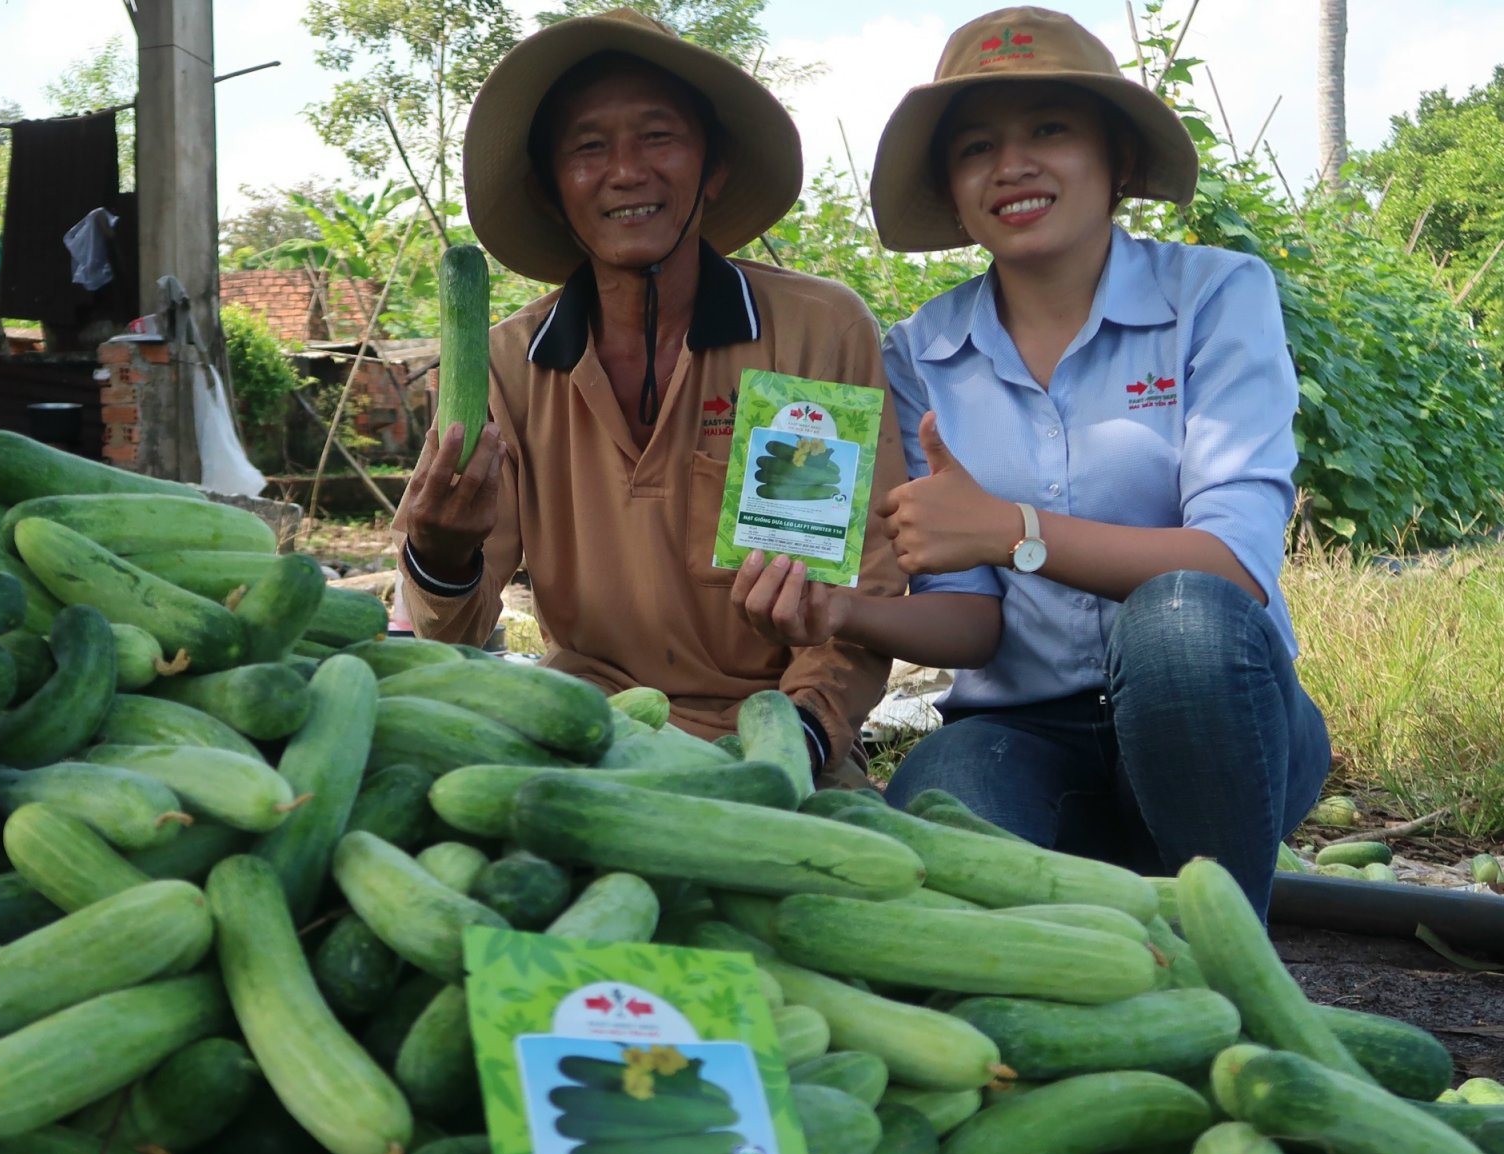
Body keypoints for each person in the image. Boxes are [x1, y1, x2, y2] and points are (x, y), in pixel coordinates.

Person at [733, 6, 1329, 916]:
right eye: (976, 146)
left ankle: (1223, 943)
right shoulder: (919, 358)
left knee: (1179, 619)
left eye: (1049, 130)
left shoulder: (1215, 297)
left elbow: (1233, 568)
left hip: (1218, 719)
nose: (1011, 165)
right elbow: (970, 623)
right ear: (953, 187)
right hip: (1023, 732)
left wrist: (1015, 531)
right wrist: (841, 611)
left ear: (1117, 160)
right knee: (945, 809)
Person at [393, 7, 910, 781]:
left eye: (658, 136)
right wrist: (441, 552)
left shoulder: (815, 333)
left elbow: (852, 599)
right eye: (588, 146)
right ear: (550, 191)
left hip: (774, 734)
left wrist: (791, 745)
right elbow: (454, 635)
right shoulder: (506, 365)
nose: (626, 171)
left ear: (714, 168)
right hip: (584, 733)